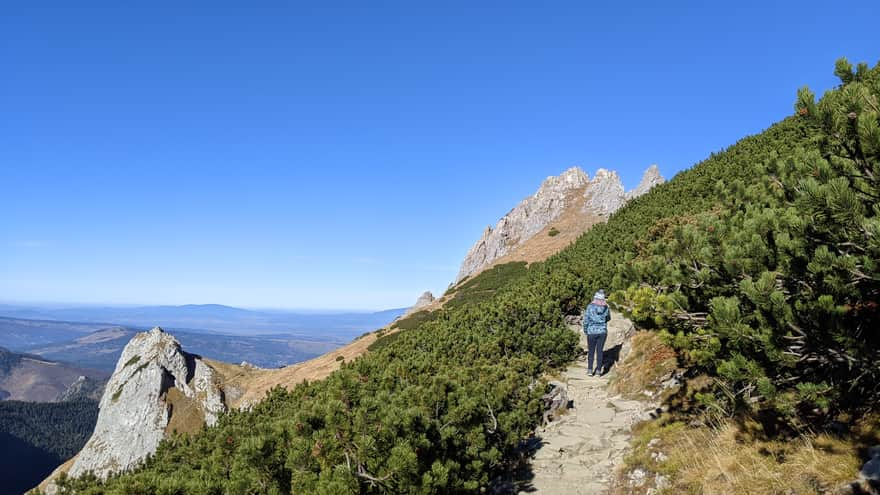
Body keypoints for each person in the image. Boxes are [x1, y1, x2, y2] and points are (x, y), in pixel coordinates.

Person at [583, 289, 611, 376]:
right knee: (600, 351)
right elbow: (608, 318)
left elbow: (586, 320)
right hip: (602, 332)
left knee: (591, 351)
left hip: (591, 332)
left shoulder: (590, 307)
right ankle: (599, 371)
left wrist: (585, 329)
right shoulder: (606, 307)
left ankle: (590, 370)